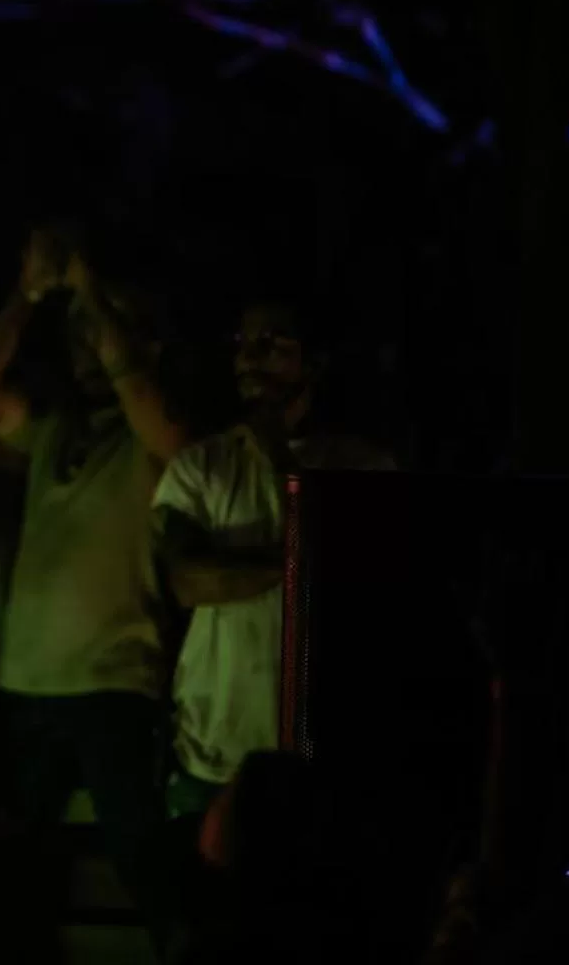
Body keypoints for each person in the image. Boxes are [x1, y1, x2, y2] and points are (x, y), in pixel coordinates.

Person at [0, 228, 189, 933]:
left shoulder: (164, 435)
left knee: (151, 872)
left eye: (106, 332)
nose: (90, 345)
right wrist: (28, 295)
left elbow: (151, 407)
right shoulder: (55, 426)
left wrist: (91, 292)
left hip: (115, 688)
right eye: (82, 332)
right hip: (23, 687)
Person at [155, 293, 392, 822]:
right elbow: (189, 581)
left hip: (322, 753)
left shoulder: (365, 466)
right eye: (242, 344)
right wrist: (302, 560)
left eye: (271, 344)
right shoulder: (201, 466)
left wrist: (278, 455)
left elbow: (361, 578)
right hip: (214, 752)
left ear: (315, 362)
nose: (249, 359)